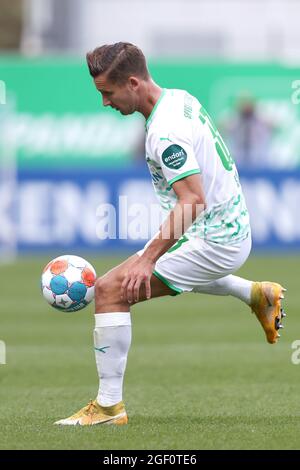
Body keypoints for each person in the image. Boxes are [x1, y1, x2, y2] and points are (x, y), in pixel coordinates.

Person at [55, 43, 286, 426]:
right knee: (142, 273)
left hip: (214, 236)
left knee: (112, 290)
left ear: (132, 83)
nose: (104, 103)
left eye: (107, 93)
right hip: (220, 226)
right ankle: (256, 293)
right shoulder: (178, 98)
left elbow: (192, 201)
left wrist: (148, 260)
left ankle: (109, 408)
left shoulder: (165, 132)